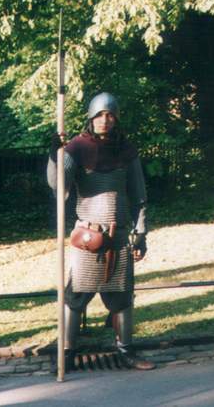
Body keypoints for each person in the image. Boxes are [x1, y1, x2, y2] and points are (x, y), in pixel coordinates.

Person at [48, 92, 155, 371]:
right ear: (90, 118)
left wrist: (140, 232)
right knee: (75, 297)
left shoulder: (126, 150)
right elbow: (58, 185)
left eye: (109, 115)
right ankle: (68, 353)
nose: (104, 120)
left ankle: (125, 350)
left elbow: (138, 194)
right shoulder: (76, 148)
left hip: (118, 235)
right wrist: (54, 156)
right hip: (87, 235)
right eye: (99, 115)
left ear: (116, 119)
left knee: (122, 296)